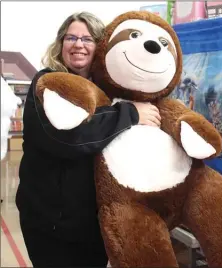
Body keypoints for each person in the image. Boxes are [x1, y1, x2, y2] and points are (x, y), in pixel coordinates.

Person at [16, 11, 161, 267]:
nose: (78, 45)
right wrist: (130, 114)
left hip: (92, 220)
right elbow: (68, 138)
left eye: (87, 39)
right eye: (71, 37)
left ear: (100, 46)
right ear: (61, 44)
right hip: (50, 221)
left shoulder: (107, 89)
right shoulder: (47, 82)